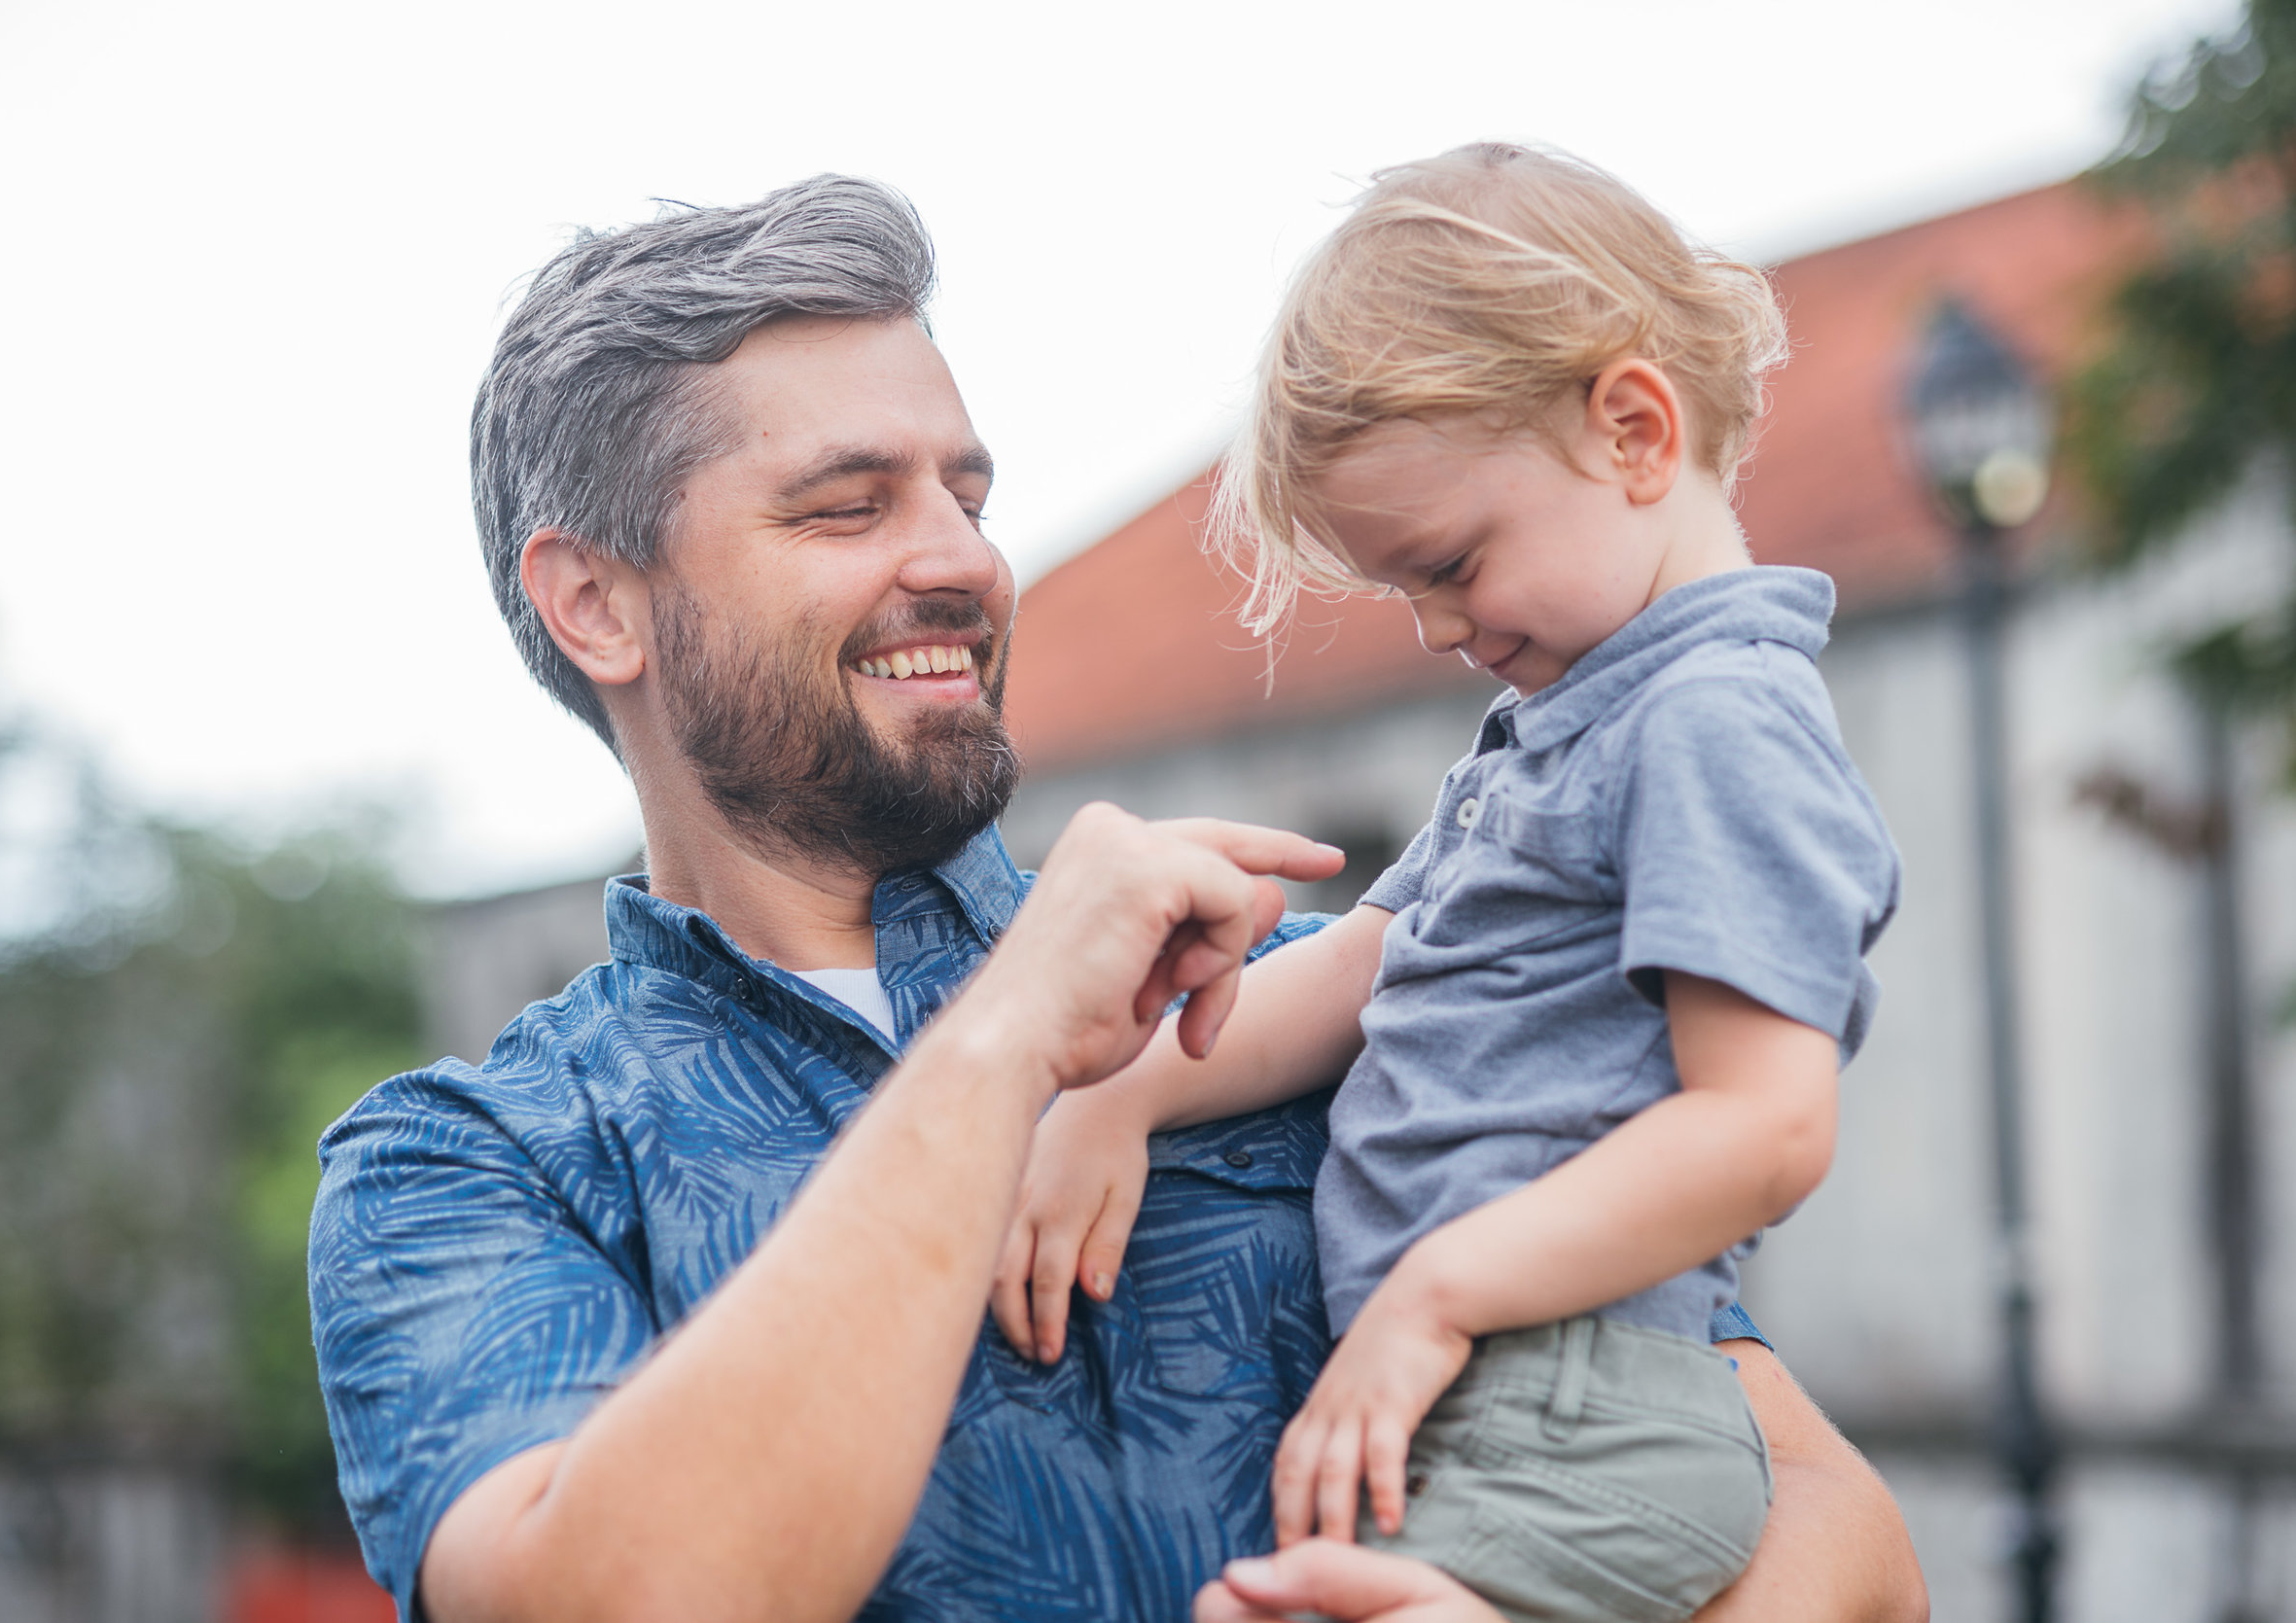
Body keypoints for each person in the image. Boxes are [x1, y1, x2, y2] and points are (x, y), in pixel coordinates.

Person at [305, 173, 1927, 1623]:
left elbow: (1841, 1539)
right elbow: (622, 1603)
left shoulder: (1302, 1009)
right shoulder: (468, 1168)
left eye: (970, 493)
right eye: (849, 504)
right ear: (595, 601)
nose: (962, 560)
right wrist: (1005, 1040)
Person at [992, 144, 1900, 1623]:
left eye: (1453, 562)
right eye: (1404, 585)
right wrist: (1122, 1093)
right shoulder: (1568, 725)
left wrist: (1438, 1289)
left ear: (1633, 431)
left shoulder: (1714, 717)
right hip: (1501, 1399)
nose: (1430, 627)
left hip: (1577, 1406)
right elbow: (1363, 967)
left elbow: (1769, 1124)